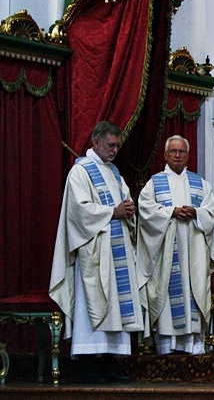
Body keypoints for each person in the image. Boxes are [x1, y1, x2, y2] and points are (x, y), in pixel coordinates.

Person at [49, 121, 142, 383]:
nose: (115, 150)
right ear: (96, 143)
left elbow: (125, 202)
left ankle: (109, 363)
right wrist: (114, 212)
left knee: (115, 307)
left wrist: (129, 210)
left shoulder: (114, 173)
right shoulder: (81, 172)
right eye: (111, 145)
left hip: (117, 251)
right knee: (93, 306)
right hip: (93, 251)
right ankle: (89, 366)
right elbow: (78, 211)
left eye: (117, 145)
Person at [137, 135, 214, 355]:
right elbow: (145, 211)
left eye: (181, 152)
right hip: (166, 251)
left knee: (193, 290)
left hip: (194, 250)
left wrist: (196, 212)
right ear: (165, 155)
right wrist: (171, 212)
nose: (177, 155)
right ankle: (167, 345)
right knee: (167, 291)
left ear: (188, 156)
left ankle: (193, 344)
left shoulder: (201, 184)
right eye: (173, 151)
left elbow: (212, 213)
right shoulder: (154, 184)